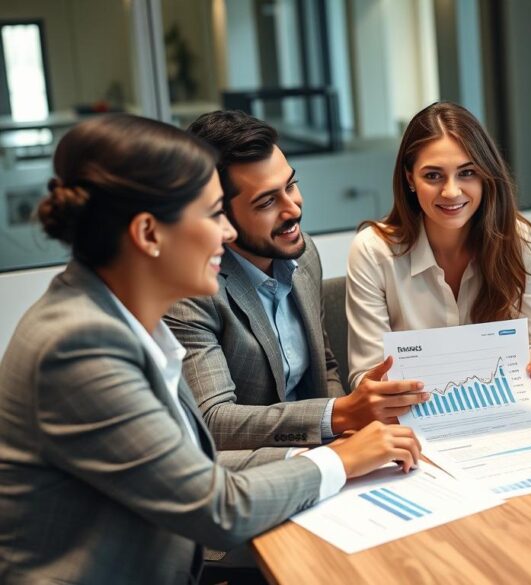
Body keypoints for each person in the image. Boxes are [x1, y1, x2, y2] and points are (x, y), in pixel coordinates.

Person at [0, 114, 421, 584]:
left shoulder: (123, 321)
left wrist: (332, 449)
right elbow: (216, 506)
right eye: (212, 214)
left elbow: (196, 466)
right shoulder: (77, 347)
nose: (226, 233)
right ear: (148, 234)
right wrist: (340, 459)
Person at [165, 111, 426, 467]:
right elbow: (213, 421)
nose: (293, 208)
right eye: (267, 202)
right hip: (250, 472)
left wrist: (351, 434)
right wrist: (340, 415)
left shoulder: (303, 258)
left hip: (322, 455)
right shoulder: (190, 288)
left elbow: (325, 366)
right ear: (218, 215)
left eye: (290, 185)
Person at [346, 102, 531, 390]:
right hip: (410, 415)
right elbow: (366, 378)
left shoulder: (517, 240)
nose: (451, 191)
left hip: (496, 406)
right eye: (433, 175)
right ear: (410, 178)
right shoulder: (373, 251)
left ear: (486, 175)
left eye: (467, 173)